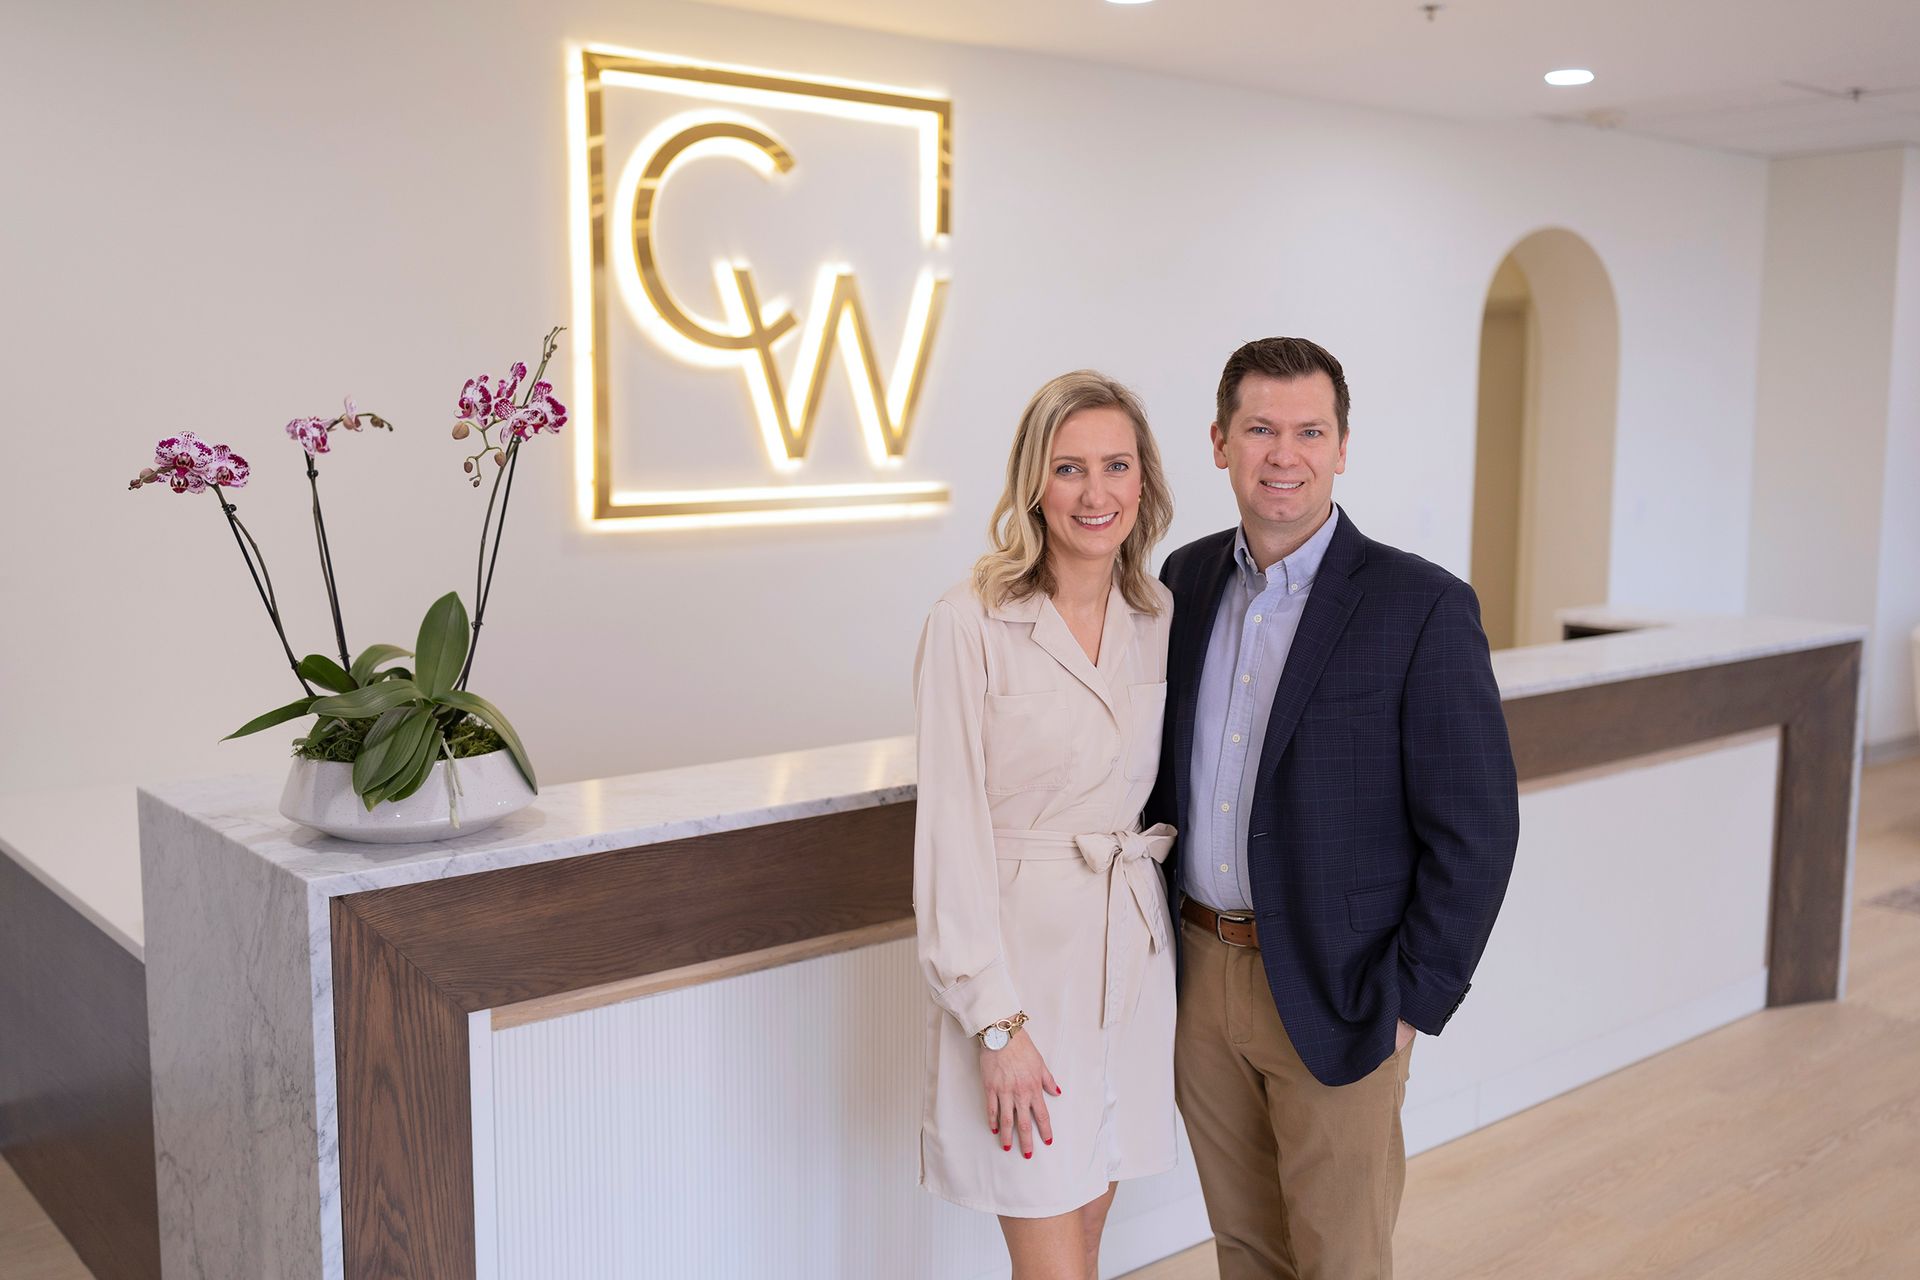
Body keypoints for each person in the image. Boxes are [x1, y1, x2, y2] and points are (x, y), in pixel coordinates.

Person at [1146, 337, 1520, 1279]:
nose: (1285, 453)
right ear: (1220, 442)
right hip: (1197, 973)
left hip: (1339, 986)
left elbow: (1477, 829)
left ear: (1343, 446)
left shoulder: (1421, 604)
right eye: (1261, 429)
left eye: (1309, 430)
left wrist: (1410, 1004)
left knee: (1340, 1256)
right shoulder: (1178, 586)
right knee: (1245, 1246)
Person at [913, 369, 1178, 1279]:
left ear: (1144, 481)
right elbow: (950, 837)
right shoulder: (969, 622)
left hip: (1130, 972)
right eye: (1069, 469)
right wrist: (996, 1025)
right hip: (1023, 987)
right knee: (1050, 1261)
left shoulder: (1157, 615)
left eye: (1115, 465)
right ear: (1034, 483)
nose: (1095, 493)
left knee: (1088, 1239)